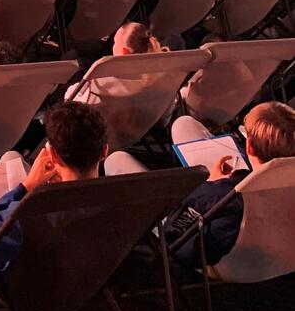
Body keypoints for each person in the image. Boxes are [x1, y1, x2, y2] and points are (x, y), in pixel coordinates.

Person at [107, 103, 295, 268]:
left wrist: (210, 183)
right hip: (282, 248)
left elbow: (175, 231)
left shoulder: (222, 194)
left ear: (250, 146)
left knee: (117, 160)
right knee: (184, 124)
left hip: (223, 256)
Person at [0, 102, 108, 276]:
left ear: (54, 155)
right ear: (104, 151)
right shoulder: (121, 197)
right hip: (88, 277)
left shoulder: (33, 211)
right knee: (11, 157)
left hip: (22, 282)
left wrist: (25, 189)